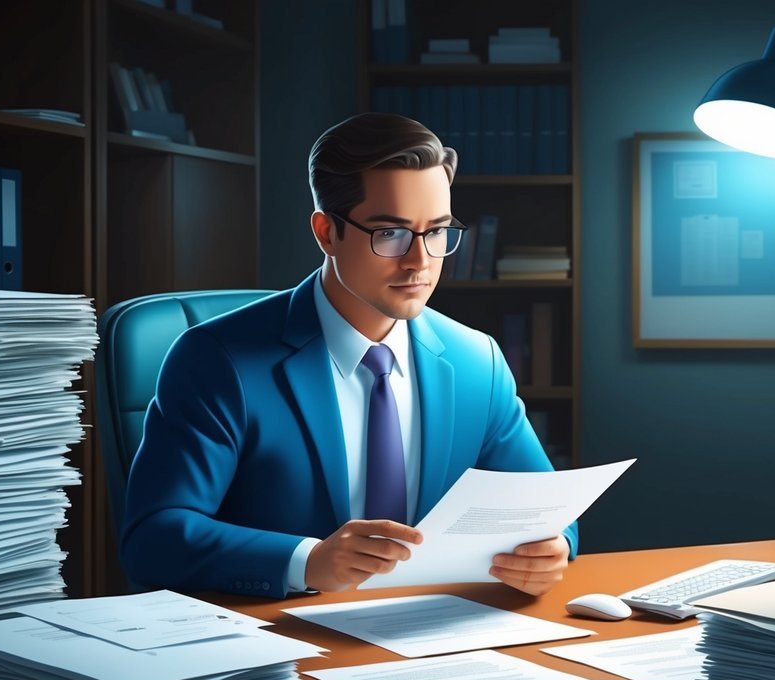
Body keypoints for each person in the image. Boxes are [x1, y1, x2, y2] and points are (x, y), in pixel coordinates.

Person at [120, 113, 576, 598]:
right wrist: (307, 562)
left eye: (437, 231)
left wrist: (553, 549)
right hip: (280, 646)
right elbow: (153, 539)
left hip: (432, 638)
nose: (420, 261)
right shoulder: (216, 360)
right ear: (326, 233)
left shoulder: (476, 361)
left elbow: (546, 511)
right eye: (391, 233)